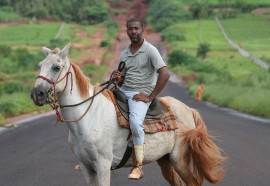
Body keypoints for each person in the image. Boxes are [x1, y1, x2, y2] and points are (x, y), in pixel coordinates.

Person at [112, 17, 170, 180]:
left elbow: (165, 74)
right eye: (130, 29)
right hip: (124, 90)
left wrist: (150, 96)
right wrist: (117, 77)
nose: (133, 31)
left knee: (136, 123)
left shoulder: (150, 50)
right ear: (127, 31)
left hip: (140, 94)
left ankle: (138, 165)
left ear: (143, 30)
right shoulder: (124, 53)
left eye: (136, 28)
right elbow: (122, 78)